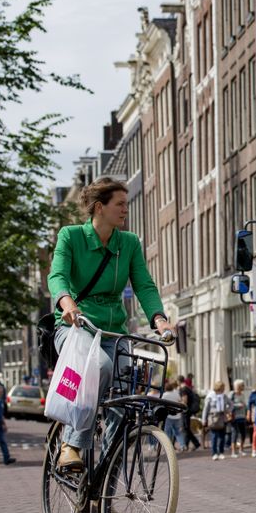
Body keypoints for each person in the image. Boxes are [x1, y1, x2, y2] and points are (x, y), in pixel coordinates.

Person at [47, 177, 175, 471]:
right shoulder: (71, 236)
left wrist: (159, 319)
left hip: (113, 332)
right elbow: (57, 276)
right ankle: (71, 443)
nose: (125, 210)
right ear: (99, 207)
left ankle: (103, 488)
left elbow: (144, 285)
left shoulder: (128, 243)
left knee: (125, 401)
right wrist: (67, 303)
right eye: (120, 204)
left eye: (126, 204)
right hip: (75, 328)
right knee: (99, 367)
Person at [202, 380, 233, 461]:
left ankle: (221, 453)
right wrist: (204, 419)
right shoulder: (210, 396)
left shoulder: (224, 396)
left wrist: (227, 410)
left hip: (222, 418)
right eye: (222, 388)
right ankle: (214, 453)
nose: (223, 390)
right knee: (214, 436)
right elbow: (206, 409)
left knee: (222, 436)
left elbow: (231, 404)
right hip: (213, 418)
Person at [162, 380, 186, 452]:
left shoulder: (164, 395)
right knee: (178, 432)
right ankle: (182, 445)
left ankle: (168, 447)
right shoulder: (176, 393)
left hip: (168, 416)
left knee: (168, 432)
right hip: (177, 415)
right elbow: (180, 401)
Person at [179, 375, 201, 451]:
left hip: (186, 410)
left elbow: (185, 400)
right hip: (189, 410)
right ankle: (187, 445)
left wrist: (180, 404)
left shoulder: (183, 389)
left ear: (178, 381)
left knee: (186, 428)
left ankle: (195, 443)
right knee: (186, 428)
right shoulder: (187, 387)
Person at [228, 379, 248, 457]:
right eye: (242, 385)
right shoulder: (232, 394)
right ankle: (233, 451)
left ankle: (241, 449)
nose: (243, 387)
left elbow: (245, 404)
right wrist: (238, 405)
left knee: (243, 433)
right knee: (234, 433)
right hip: (234, 417)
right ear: (238, 386)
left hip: (242, 416)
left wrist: (246, 413)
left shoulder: (242, 394)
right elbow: (229, 405)